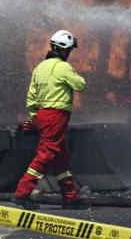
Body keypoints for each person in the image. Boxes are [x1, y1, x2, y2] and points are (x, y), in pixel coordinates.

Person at [11, 29, 89, 210]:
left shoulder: (39, 68)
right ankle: (22, 194)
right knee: (45, 155)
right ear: (64, 50)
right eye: (69, 51)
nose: (69, 54)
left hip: (41, 115)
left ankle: (70, 198)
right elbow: (81, 85)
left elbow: (31, 97)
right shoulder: (62, 67)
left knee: (60, 157)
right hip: (56, 116)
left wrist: (35, 118)